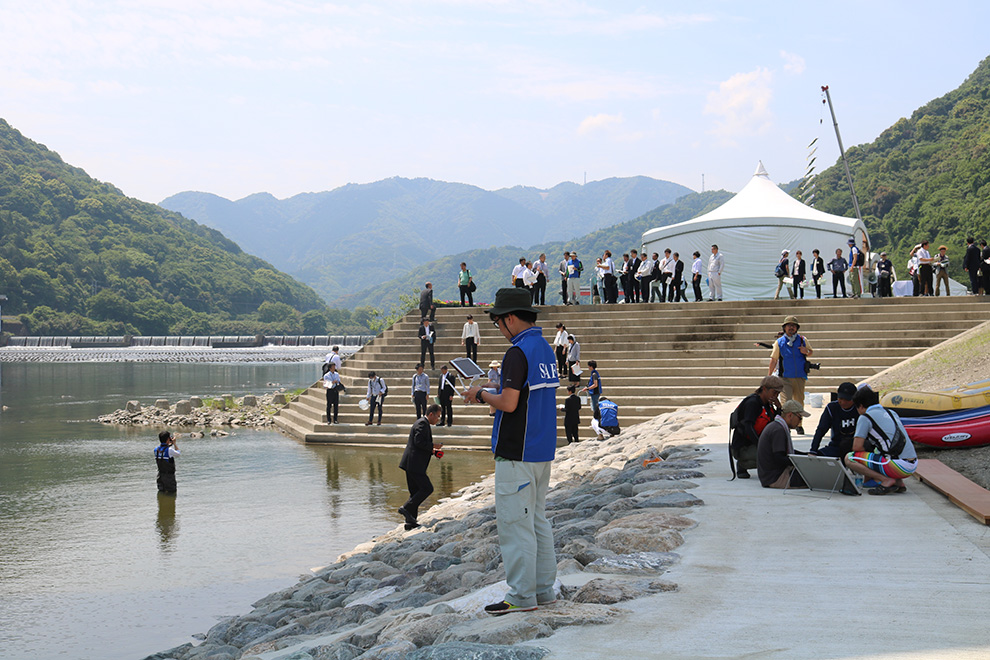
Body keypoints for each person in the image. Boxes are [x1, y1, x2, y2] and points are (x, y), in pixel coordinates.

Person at [463, 287, 559, 614]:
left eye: (498, 323)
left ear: (510, 318)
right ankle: (543, 592)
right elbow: (526, 394)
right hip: (542, 450)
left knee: (515, 526)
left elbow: (509, 402)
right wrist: (493, 389)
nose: (499, 330)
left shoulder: (517, 352)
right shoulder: (545, 348)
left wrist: (480, 395)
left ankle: (520, 597)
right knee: (537, 522)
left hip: (517, 452)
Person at [843, 386, 917, 495]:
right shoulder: (891, 412)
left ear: (861, 406)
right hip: (912, 465)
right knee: (881, 450)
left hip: (898, 467)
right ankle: (898, 482)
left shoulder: (865, 417)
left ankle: (886, 480)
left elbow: (856, 447)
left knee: (849, 458)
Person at [398, 404, 443, 530]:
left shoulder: (422, 423)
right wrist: (433, 446)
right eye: (437, 416)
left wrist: (433, 451)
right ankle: (405, 508)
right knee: (427, 488)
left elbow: (420, 444)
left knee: (415, 492)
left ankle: (410, 522)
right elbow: (419, 442)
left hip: (412, 463)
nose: (438, 419)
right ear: (430, 414)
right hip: (414, 463)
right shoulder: (422, 424)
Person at [730, 375, 784, 479]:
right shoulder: (752, 403)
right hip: (743, 446)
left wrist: (779, 408)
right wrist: (762, 447)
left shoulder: (768, 404)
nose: (776, 396)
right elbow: (748, 427)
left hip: (755, 443)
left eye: (778, 393)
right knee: (771, 457)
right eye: (774, 392)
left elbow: (775, 425)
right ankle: (742, 464)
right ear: (764, 389)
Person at [767, 315, 813, 434]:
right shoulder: (779, 342)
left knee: (799, 401)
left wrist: (806, 351)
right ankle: (785, 425)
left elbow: (810, 352)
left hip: (799, 377)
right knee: (786, 403)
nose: (791, 328)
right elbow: (773, 360)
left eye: (793, 326)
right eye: (789, 326)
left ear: (797, 328)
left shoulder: (803, 340)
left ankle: (799, 425)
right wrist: (769, 376)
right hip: (785, 378)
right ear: (784, 328)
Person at [757, 399, 810, 489]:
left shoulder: (776, 425)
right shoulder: (778, 430)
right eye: (799, 418)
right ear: (790, 415)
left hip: (770, 476)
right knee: (815, 477)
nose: (799, 422)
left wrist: (806, 455)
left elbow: (785, 453)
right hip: (776, 478)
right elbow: (779, 458)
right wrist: (802, 461)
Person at [809, 382, 859, 458]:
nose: (843, 402)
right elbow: (821, 430)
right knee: (819, 457)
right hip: (836, 446)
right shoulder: (832, 408)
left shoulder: (860, 408)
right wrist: (813, 450)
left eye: (847, 400)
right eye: (840, 398)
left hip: (856, 447)